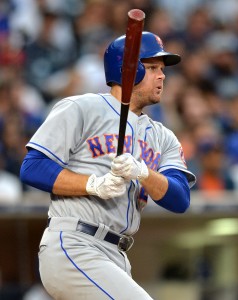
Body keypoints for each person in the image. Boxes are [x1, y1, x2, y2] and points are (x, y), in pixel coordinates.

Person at [20, 31, 196, 300]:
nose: (161, 76)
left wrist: (143, 172)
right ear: (128, 70)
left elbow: (180, 198)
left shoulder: (163, 136)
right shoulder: (82, 108)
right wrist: (92, 184)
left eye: (162, 69)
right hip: (75, 243)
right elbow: (32, 167)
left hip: (118, 255)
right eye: (151, 68)